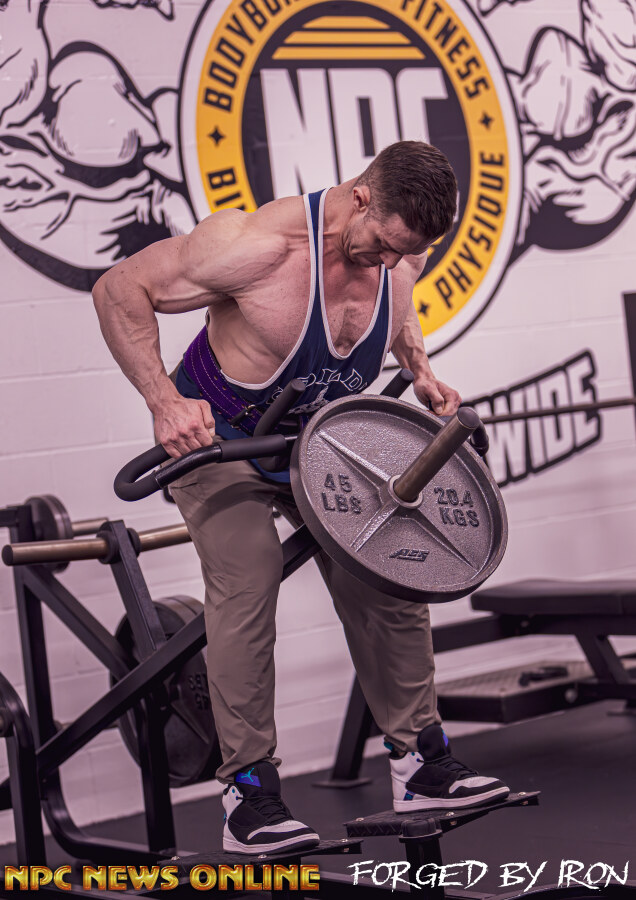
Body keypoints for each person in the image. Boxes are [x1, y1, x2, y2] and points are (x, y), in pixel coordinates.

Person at [93, 140, 509, 855]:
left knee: (391, 569)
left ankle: (419, 762)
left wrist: (420, 368)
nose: (390, 261)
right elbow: (117, 289)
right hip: (220, 441)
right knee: (248, 577)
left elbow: (399, 309)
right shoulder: (256, 246)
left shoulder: (399, 253)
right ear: (361, 196)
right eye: (383, 244)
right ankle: (247, 792)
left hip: (316, 445)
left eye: (404, 253)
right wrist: (164, 402)